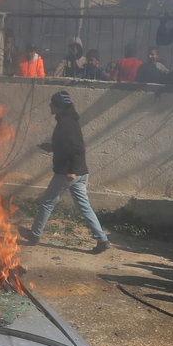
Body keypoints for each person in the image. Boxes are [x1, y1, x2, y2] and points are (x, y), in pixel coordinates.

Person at [24, 90, 111, 254]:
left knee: (47, 202)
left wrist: (71, 171)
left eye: (52, 103)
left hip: (67, 173)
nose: (50, 106)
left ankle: (34, 235)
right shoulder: (68, 120)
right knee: (84, 207)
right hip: (79, 172)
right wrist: (51, 147)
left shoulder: (66, 123)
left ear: (59, 107)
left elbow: (77, 148)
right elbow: (68, 146)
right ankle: (102, 239)